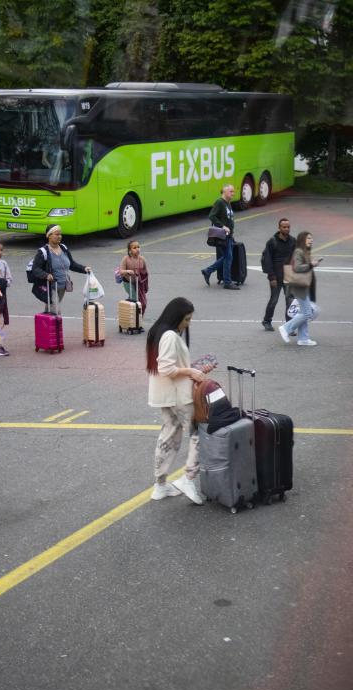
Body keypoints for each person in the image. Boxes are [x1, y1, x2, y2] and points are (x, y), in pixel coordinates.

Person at [146, 297, 211, 504]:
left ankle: (160, 485)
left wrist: (192, 370)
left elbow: (165, 366)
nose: (188, 323)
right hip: (178, 396)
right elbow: (167, 368)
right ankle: (188, 479)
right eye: (187, 319)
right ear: (177, 318)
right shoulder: (170, 336)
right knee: (198, 434)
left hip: (165, 396)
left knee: (169, 437)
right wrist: (191, 370)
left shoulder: (158, 332)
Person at [30, 225, 91, 313]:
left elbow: (72, 264)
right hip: (51, 287)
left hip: (63, 286)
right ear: (49, 236)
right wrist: (46, 275)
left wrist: (84, 269)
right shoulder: (43, 252)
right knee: (55, 310)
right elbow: (35, 269)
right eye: (57, 234)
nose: (59, 236)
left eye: (60, 234)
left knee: (51, 309)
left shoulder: (64, 248)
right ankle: (55, 325)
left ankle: (46, 325)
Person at [278, 231, 323, 347]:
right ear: (303, 239)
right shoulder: (299, 251)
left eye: (311, 238)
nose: (311, 240)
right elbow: (297, 268)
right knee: (307, 313)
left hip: (304, 286)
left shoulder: (305, 252)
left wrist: (314, 263)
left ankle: (303, 338)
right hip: (299, 286)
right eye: (308, 238)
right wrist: (311, 265)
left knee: (303, 312)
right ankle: (286, 328)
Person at [201, 184, 239, 289]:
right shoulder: (220, 202)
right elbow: (211, 216)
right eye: (231, 191)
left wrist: (232, 232)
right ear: (224, 192)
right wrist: (223, 226)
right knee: (228, 257)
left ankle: (208, 271)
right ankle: (227, 282)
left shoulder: (228, 203)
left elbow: (229, 219)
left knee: (227, 257)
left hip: (229, 235)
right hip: (223, 235)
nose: (233, 193)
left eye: (233, 191)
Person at [260, 217, 295, 331]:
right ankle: (266, 321)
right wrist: (271, 277)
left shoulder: (293, 241)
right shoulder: (272, 242)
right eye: (284, 227)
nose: (287, 229)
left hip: (289, 275)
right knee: (274, 300)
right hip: (276, 275)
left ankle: (289, 325)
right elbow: (267, 260)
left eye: (288, 227)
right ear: (279, 228)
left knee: (290, 301)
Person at [118, 239, 149, 317]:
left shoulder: (142, 259)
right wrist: (128, 271)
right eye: (134, 248)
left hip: (139, 283)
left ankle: (139, 319)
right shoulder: (126, 259)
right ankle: (134, 319)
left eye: (138, 247)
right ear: (130, 250)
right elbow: (121, 271)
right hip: (128, 282)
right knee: (135, 300)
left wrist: (146, 286)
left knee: (143, 303)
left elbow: (146, 274)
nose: (137, 249)